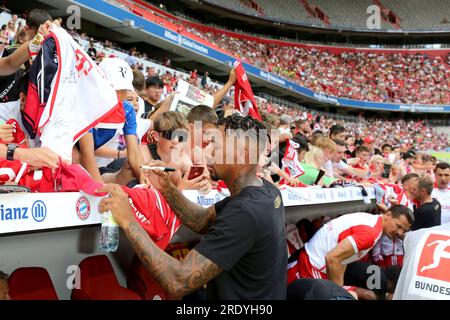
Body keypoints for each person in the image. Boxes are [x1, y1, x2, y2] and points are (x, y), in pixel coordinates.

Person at [97, 113, 287, 299]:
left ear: (242, 155)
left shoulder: (246, 212)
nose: (209, 152)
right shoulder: (266, 191)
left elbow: (177, 281)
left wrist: (129, 220)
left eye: (217, 146)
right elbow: (202, 221)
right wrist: (167, 189)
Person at [287, 205, 413, 288]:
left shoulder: (373, 222)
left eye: (403, 230)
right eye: (398, 226)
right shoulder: (370, 234)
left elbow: (343, 258)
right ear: (388, 215)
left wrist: (339, 287)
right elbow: (332, 258)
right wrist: (337, 291)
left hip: (313, 260)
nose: (399, 233)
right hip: (312, 265)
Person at [393, 223, 450, 300]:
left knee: (435, 264)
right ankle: (425, 268)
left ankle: (425, 268)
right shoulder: (415, 237)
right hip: (437, 253)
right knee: (435, 264)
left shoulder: (415, 236)